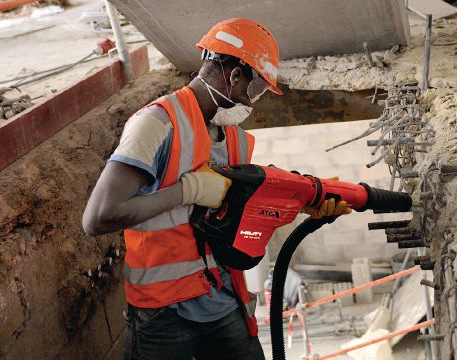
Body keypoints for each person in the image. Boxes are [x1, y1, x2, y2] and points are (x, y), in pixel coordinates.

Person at [82, 18, 350, 360]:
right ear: (235, 75)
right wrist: (187, 191)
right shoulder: (156, 123)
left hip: (221, 298)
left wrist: (305, 202)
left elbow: (244, 199)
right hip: (162, 314)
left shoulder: (234, 136)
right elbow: (98, 217)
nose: (253, 101)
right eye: (255, 89)